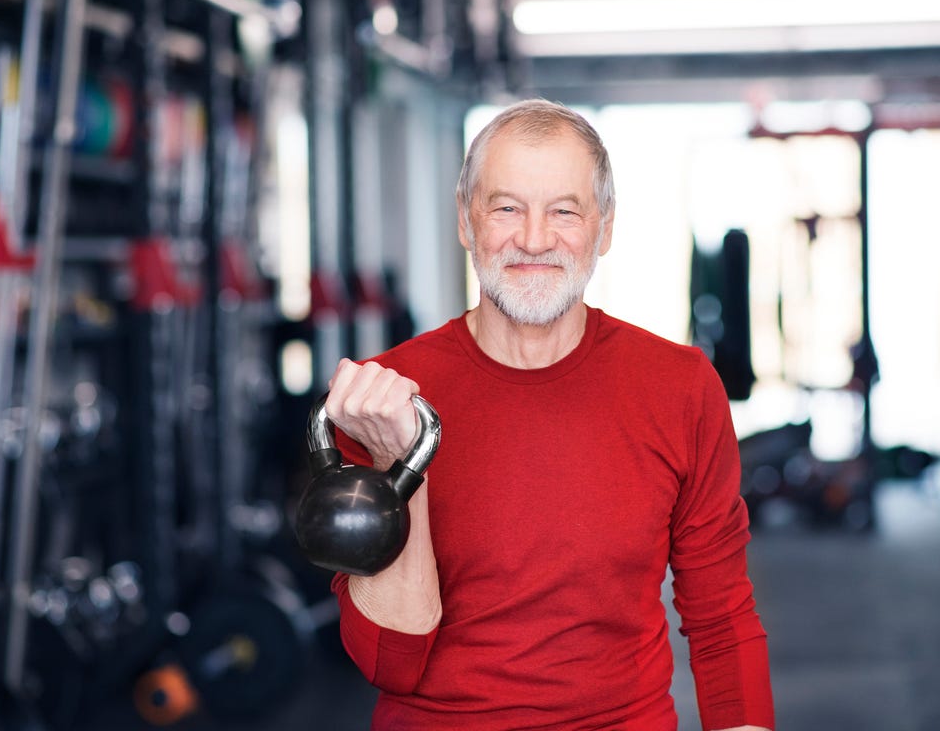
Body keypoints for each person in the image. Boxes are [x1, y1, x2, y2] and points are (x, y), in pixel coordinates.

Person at [321, 99, 774, 730]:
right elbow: (391, 662)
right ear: (465, 220)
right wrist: (401, 463)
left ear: (604, 228)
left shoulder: (680, 388)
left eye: (564, 211)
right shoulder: (383, 402)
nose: (534, 239)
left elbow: (721, 616)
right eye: (506, 208)